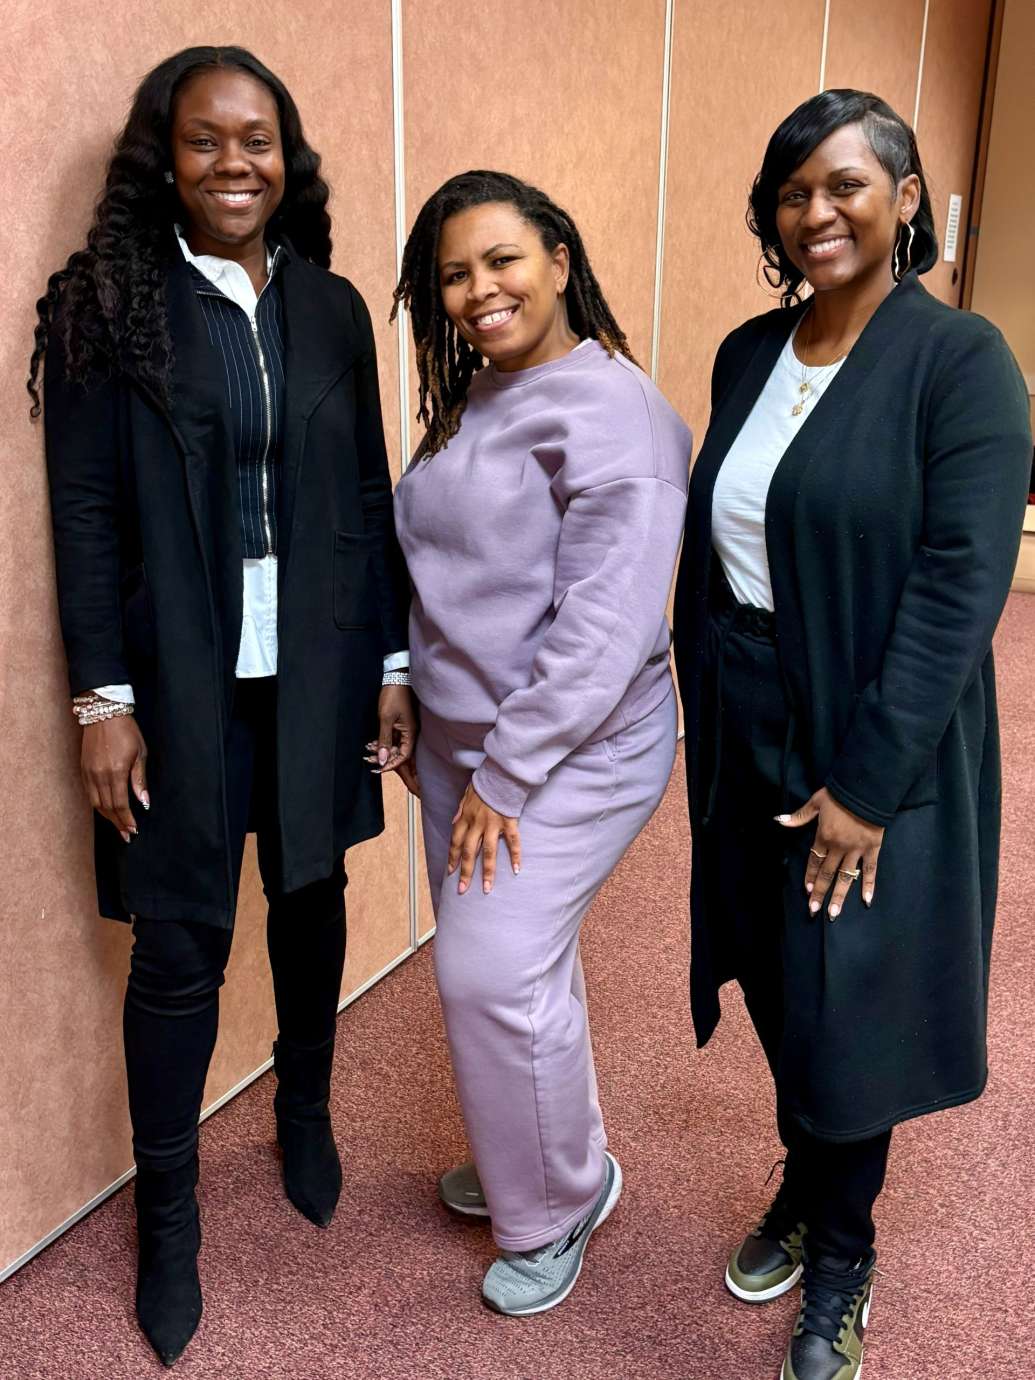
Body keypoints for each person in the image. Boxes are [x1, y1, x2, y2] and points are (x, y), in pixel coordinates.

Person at [30, 46, 412, 1367]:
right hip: (176, 687)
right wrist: (102, 700)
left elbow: (366, 499)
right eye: (205, 140)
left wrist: (394, 666)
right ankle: (172, 1216)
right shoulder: (104, 308)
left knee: (312, 905)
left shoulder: (333, 310)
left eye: (257, 140)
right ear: (165, 156)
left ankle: (303, 1116)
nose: (234, 164)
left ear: (287, 156)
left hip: (313, 674)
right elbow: (83, 514)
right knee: (179, 949)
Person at [672, 90, 1031, 1380]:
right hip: (748, 710)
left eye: (845, 186)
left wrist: (867, 788)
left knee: (851, 1005)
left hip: (876, 735)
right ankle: (811, 1175)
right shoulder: (745, 352)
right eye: (792, 191)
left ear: (908, 196)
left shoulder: (963, 363)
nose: (815, 212)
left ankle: (841, 1256)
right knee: (774, 971)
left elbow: (959, 585)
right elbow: (718, 537)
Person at [389, 170, 690, 1316]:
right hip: (465, 745)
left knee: (487, 968)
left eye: (501, 260)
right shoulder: (479, 394)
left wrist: (504, 776)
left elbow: (601, 631)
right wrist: (407, 689)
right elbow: (450, 570)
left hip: (572, 753)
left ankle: (555, 1204)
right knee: (520, 970)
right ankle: (547, 1154)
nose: (478, 290)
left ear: (560, 258)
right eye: (454, 274)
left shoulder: (614, 416)